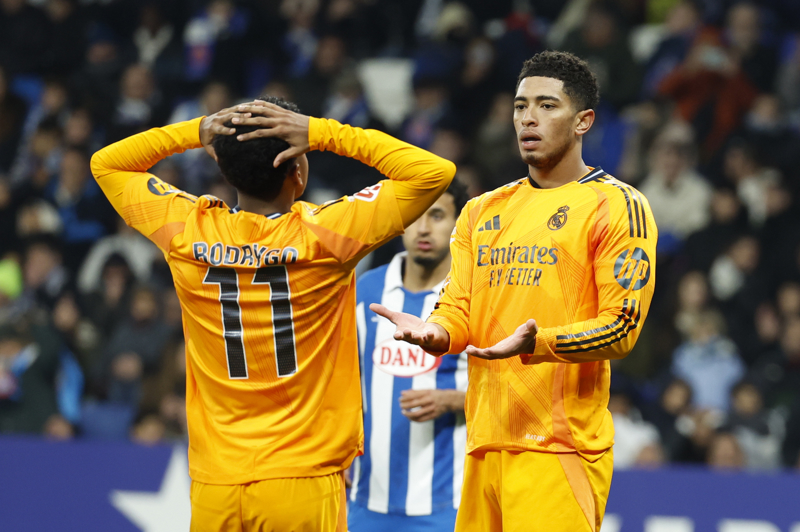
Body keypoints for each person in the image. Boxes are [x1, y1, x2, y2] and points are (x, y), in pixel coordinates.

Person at [90, 97, 455, 531]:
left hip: (217, 485)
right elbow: (434, 172)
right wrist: (320, 131)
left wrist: (196, 130)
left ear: (223, 170)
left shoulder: (186, 231)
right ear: (297, 170)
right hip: (302, 479)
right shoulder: (328, 236)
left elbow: (106, 164)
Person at [372, 50, 657, 532]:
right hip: (485, 444)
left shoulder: (616, 205)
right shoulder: (482, 210)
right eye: (521, 106)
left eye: (547, 106)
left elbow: (623, 327)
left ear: (583, 120)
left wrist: (539, 343)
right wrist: (437, 332)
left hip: (559, 448)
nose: (528, 118)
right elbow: (458, 306)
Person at [349, 179, 470, 532]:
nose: (423, 227)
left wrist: (452, 399)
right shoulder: (365, 291)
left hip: (447, 506)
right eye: (415, 215)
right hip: (366, 503)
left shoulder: (472, 297)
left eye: (437, 215)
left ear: (457, 224)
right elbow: (338, 383)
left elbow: (507, 390)